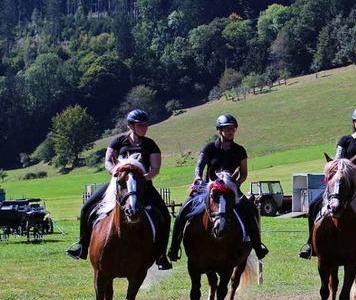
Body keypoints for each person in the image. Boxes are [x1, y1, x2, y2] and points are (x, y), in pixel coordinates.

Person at [66, 109, 173, 270]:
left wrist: (143, 178)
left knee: (164, 214)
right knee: (86, 208)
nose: (144, 127)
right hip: (119, 184)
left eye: (146, 125)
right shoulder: (118, 141)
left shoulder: (150, 144)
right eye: (140, 125)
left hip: (143, 186)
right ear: (131, 126)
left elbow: (155, 168)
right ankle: (82, 246)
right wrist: (114, 171)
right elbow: (108, 161)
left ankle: (161, 255)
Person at [167, 114, 269, 261]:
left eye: (232, 128)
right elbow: (199, 167)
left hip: (231, 188)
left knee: (250, 210)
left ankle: (257, 247)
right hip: (209, 188)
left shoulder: (240, 150)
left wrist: (236, 185)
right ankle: (174, 248)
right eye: (227, 128)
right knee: (184, 210)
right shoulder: (209, 148)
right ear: (219, 130)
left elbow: (244, 174)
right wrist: (198, 178)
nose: (230, 131)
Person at [299, 106, 356, 267]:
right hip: (341, 182)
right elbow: (337, 162)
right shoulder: (344, 140)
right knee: (313, 204)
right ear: (353, 123)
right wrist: (337, 174)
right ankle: (311, 244)